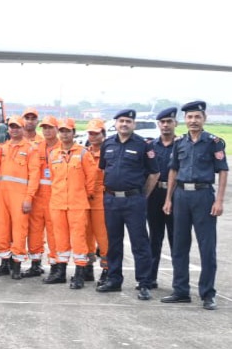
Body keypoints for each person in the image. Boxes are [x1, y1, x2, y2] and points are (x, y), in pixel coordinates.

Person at [162, 101, 228, 310]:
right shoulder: (179, 142)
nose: (193, 121)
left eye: (197, 117)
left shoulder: (214, 142)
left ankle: (208, 294)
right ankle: (181, 290)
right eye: (189, 117)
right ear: (185, 120)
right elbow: (173, 170)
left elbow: (223, 171)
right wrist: (168, 199)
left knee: (206, 247)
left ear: (204, 119)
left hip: (203, 196)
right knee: (179, 245)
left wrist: (219, 200)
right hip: (181, 196)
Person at [95, 109, 158, 301]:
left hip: (134, 201)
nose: (124, 124)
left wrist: (142, 196)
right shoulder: (108, 144)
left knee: (139, 243)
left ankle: (144, 283)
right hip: (112, 199)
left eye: (128, 121)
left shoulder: (143, 145)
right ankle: (114, 279)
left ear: (134, 124)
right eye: (121, 121)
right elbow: (104, 168)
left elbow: (154, 173)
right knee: (113, 242)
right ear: (115, 124)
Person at [48, 118, 95, 289]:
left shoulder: (83, 153)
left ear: (74, 133)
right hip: (58, 203)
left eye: (68, 131)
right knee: (60, 239)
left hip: (77, 204)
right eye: (62, 131)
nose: (64, 134)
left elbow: (91, 178)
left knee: (79, 239)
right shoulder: (53, 154)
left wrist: (84, 195)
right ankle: (60, 272)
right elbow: (54, 177)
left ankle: (80, 274)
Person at [0, 115, 38, 278]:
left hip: (20, 196)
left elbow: (34, 176)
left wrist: (28, 198)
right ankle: (4, 263)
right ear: (8, 129)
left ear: (23, 128)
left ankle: (16, 265)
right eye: (12, 126)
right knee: (2, 229)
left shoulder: (31, 149)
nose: (14, 129)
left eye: (17, 126)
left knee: (19, 231)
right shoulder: (3, 148)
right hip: (2, 195)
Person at [147, 107, 178, 289]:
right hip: (155, 195)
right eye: (163, 122)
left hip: (175, 195)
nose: (166, 125)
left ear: (175, 123)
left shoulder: (181, 144)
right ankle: (150, 278)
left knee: (176, 239)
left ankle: (178, 282)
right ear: (158, 124)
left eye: (169, 121)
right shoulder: (151, 145)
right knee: (154, 238)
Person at [32, 116, 61, 282]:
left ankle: (55, 266)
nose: (47, 131)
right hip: (38, 196)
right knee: (35, 231)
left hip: (54, 196)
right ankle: (35, 264)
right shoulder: (37, 147)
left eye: (50, 127)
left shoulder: (61, 148)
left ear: (56, 129)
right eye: (44, 128)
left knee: (53, 233)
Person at [83, 119, 109, 285]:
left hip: (101, 197)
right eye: (90, 133)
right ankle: (87, 267)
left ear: (103, 134)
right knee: (86, 235)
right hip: (85, 198)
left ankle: (107, 269)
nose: (92, 136)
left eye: (96, 133)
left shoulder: (108, 153)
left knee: (103, 235)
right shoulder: (85, 153)